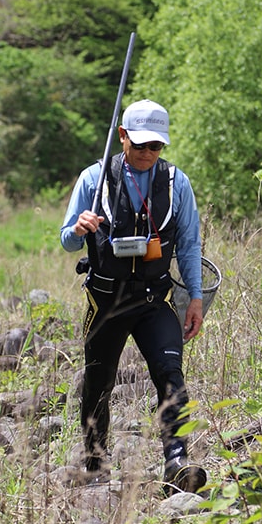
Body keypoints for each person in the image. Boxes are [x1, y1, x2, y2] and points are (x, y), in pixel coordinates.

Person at [60, 99, 204, 491]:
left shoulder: (178, 184)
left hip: (154, 301)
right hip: (105, 301)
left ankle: (177, 460)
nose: (147, 154)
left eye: (155, 147)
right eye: (139, 145)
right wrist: (79, 228)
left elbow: (190, 245)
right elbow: (67, 242)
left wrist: (195, 298)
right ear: (122, 137)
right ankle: (95, 463)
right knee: (98, 380)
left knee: (170, 373)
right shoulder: (93, 180)